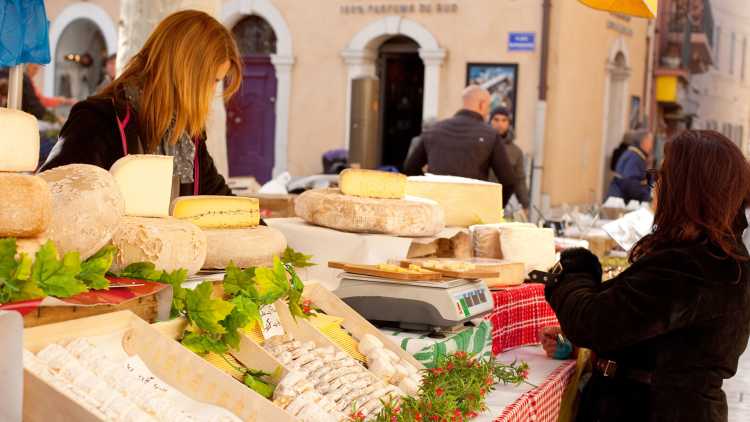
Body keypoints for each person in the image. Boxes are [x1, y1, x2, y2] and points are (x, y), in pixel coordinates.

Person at [545, 130, 750, 422]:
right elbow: (647, 330)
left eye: (662, 175)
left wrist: (574, 268)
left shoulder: (692, 266)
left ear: (686, 188)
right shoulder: (719, 257)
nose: (655, 186)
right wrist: (577, 343)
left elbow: (591, 321)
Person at [40, 10, 241, 197]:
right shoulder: (97, 119)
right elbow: (56, 196)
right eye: (213, 80)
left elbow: (218, 197)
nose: (213, 91)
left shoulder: (188, 135)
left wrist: (266, 231)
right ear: (186, 75)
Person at [403, 85, 515, 204]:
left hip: (436, 206)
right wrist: (494, 208)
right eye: (488, 106)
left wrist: (427, 193)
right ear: (482, 104)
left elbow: (410, 168)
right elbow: (508, 181)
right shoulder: (490, 135)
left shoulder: (434, 130)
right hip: (472, 209)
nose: (488, 111)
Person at [489, 107, 530, 210]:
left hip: (501, 202)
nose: (500, 124)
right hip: (479, 197)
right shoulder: (482, 144)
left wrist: (525, 204)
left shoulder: (516, 152)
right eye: (496, 120)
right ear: (490, 121)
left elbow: (519, 180)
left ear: (509, 123)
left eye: (504, 120)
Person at [605, 129, 653, 203]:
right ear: (643, 142)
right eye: (650, 141)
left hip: (618, 199)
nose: (651, 145)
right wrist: (648, 197)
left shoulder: (634, 155)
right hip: (619, 202)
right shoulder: (634, 158)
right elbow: (630, 184)